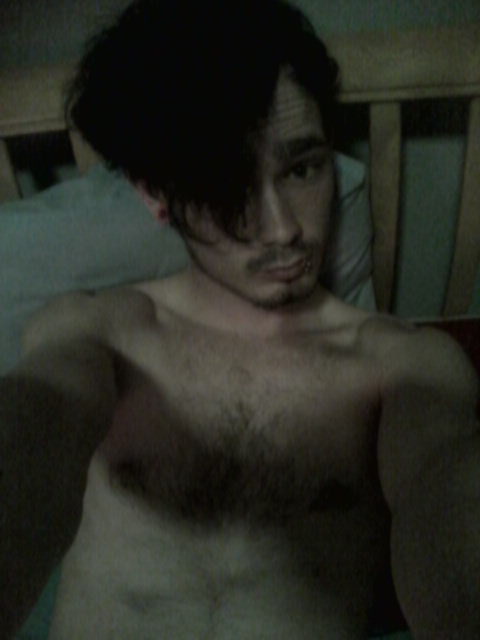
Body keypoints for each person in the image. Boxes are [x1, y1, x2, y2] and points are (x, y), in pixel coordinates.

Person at [1, 0, 479, 638]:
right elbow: (35, 436)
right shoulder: (98, 332)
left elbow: (446, 489)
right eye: (227, 183)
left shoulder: (403, 363)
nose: (284, 229)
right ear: (154, 194)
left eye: (303, 168)